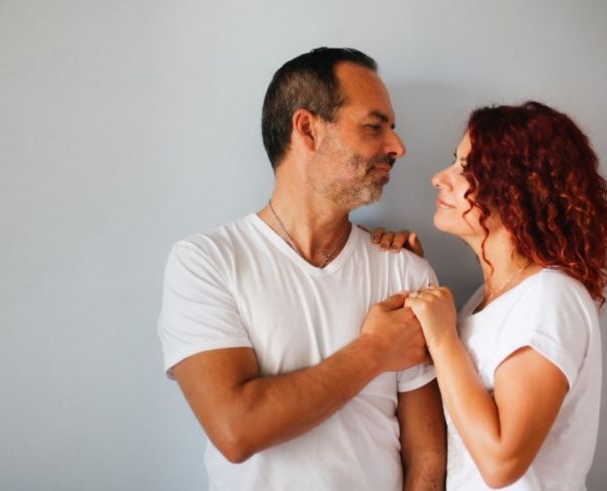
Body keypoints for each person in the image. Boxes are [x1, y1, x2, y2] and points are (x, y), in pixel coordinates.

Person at [157, 48, 446, 490]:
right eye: (374, 126)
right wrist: (374, 352)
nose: (398, 147)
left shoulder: (406, 272)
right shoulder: (206, 263)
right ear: (308, 130)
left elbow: (426, 456)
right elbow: (237, 429)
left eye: (393, 129)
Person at [378, 101, 607, 490]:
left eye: (466, 169)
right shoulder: (484, 301)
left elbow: (501, 461)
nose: (440, 178)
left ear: (516, 191)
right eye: (453, 163)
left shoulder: (551, 297)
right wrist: (408, 279)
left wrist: (443, 338)